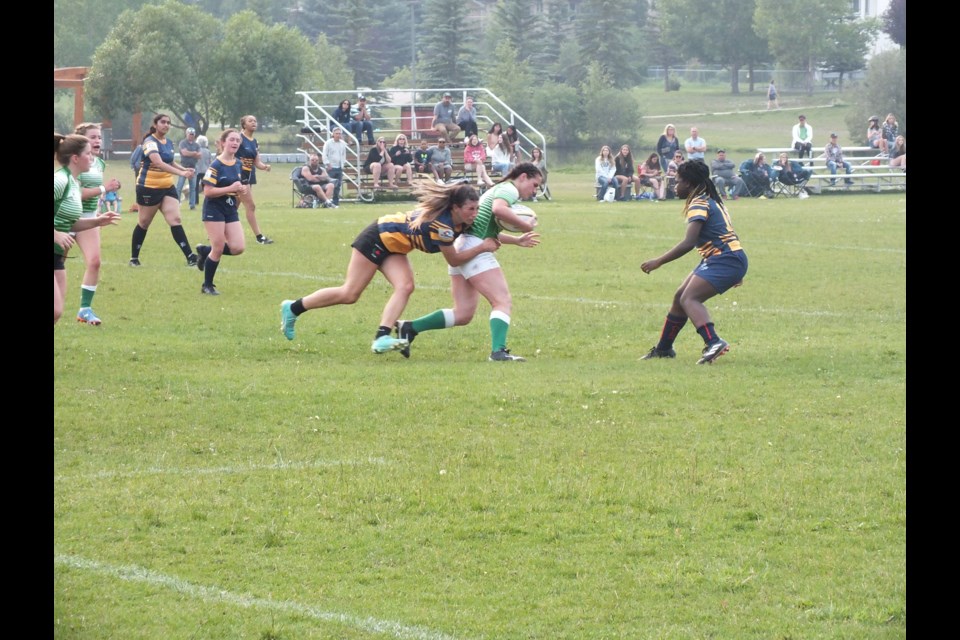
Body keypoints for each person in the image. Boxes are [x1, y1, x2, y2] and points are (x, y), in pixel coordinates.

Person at [279, 183, 497, 354]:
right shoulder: (443, 227)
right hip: (376, 237)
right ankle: (293, 308)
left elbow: (484, 235)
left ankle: (382, 337)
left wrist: (515, 240)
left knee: (406, 286)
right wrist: (483, 248)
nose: (475, 213)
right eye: (471, 209)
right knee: (350, 293)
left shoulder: (461, 221)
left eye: (477, 208)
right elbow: (454, 260)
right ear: (455, 208)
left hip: (394, 246)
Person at [394, 164, 543, 362]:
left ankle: (410, 328)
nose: (534, 191)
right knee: (502, 301)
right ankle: (498, 352)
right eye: (534, 185)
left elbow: (487, 229)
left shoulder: (499, 189)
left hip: (463, 245)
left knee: (463, 314)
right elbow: (499, 210)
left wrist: (516, 240)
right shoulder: (509, 189)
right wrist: (525, 225)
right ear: (523, 177)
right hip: (474, 248)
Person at [640, 159, 747, 365]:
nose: (674, 185)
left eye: (677, 181)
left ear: (688, 183)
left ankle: (714, 342)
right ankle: (664, 349)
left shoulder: (699, 203)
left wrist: (658, 261)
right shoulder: (710, 200)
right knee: (680, 296)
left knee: (689, 298)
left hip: (724, 259)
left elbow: (689, 242)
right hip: (726, 257)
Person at [54, 133, 121, 325]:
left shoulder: (74, 183)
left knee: (57, 312)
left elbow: (69, 223)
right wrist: (56, 234)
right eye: (88, 154)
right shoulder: (59, 181)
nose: (92, 158)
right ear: (75, 158)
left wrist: (97, 221)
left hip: (57, 256)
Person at [129, 113, 200, 267]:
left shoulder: (168, 142)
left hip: (167, 187)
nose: (166, 125)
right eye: (163, 122)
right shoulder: (149, 142)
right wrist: (181, 173)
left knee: (175, 220)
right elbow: (159, 163)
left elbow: (170, 161)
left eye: (168, 123)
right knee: (144, 222)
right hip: (149, 187)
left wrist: (184, 168)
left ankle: (190, 257)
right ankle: (134, 258)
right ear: (155, 124)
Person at [71, 123, 122, 326]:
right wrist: (104, 188)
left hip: (90, 217)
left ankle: (85, 309)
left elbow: (92, 195)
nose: (97, 141)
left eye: (99, 137)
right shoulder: (73, 162)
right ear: (82, 140)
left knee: (94, 262)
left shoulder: (99, 163)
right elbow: (74, 194)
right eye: (93, 137)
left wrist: (98, 209)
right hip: (66, 217)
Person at [194, 128, 248, 296]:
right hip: (214, 208)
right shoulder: (216, 165)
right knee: (217, 248)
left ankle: (204, 251)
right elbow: (208, 191)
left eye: (237, 141)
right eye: (231, 140)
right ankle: (207, 285)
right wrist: (230, 188)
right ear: (223, 143)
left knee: (238, 247)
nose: (235, 143)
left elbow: (239, 186)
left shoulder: (239, 164)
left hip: (230, 207)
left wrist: (241, 190)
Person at [236, 115, 273, 245]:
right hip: (238, 177)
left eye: (255, 121)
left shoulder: (254, 141)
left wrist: (265, 167)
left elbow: (257, 161)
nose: (254, 123)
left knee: (233, 206)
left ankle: (218, 231)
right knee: (250, 206)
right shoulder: (238, 138)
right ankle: (259, 237)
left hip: (248, 176)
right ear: (244, 125)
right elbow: (227, 152)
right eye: (250, 121)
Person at [176, 127, 201, 210]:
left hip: (193, 168)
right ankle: (176, 204)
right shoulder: (182, 143)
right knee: (179, 186)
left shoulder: (197, 144)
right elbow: (184, 153)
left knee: (193, 188)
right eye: (190, 134)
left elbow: (199, 155)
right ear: (186, 134)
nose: (191, 136)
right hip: (183, 167)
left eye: (192, 134)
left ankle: (192, 205)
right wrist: (194, 153)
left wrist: (190, 153)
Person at [322, 126, 348, 205]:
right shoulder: (328, 143)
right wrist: (327, 164)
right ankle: (326, 200)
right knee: (330, 185)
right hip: (331, 167)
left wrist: (342, 164)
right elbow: (324, 154)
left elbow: (343, 155)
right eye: (336, 133)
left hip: (339, 167)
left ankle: (336, 201)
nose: (338, 135)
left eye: (339, 134)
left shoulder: (343, 144)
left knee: (338, 185)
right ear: (333, 134)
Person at [195, 135, 212, 208]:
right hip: (206, 171)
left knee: (195, 187)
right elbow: (209, 161)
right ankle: (207, 199)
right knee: (206, 187)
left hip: (197, 170)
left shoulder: (197, 151)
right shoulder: (208, 151)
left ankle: (196, 201)